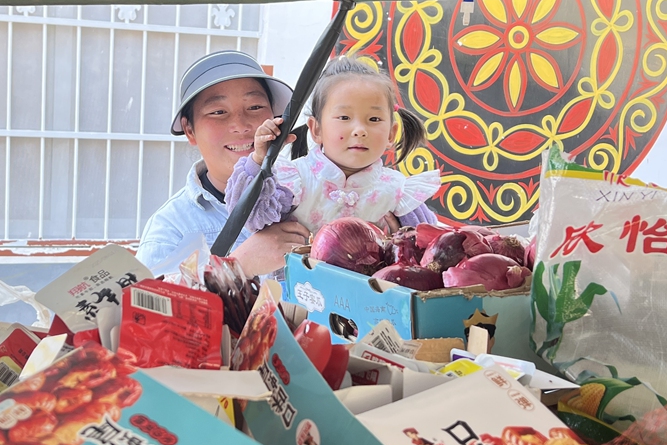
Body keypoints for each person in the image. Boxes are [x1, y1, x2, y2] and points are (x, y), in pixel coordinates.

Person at [136, 51, 311, 277]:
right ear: (190, 130)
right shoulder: (171, 229)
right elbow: (147, 307)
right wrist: (237, 266)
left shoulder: (308, 190)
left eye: (255, 107)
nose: (240, 124)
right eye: (218, 112)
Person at [225, 56, 440, 235]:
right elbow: (250, 217)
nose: (360, 130)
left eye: (374, 120)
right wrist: (259, 162)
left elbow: (429, 242)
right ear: (316, 129)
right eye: (344, 117)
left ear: (391, 133)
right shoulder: (296, 179)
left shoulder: (397, 191)